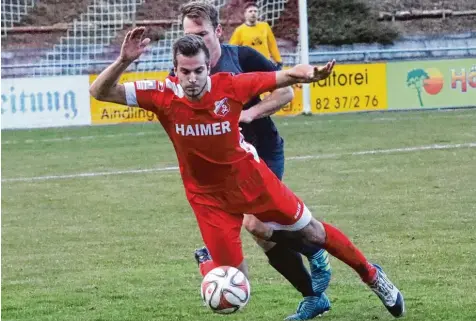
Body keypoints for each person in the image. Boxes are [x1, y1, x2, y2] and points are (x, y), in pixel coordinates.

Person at [90, 30, 405, 319]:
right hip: (208, 199)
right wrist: (124, 60)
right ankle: (209, 264)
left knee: (314, 234)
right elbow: (100, 91)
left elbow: (283, 76)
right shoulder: (162, 94)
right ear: (175, 70)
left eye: (199, 71)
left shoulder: (230, 86)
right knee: (234, 287)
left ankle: (373, 276)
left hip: (253, 181)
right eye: (184, 71)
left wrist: (309, 73)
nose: (192, 79)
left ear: (207, 69)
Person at [179, 2, 330, 320]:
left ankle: (315, 247)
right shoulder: (184, 71)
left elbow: (287, 92)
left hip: (262, 151)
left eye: (202, 34)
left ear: (218, 31)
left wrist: (249, 112)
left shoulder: (242, 57)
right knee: (261, 236)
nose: (195, 41)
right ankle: (313, 296)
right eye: (189, 35)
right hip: (225, 168)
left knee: (255, 223)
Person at [229, 2, 283, 69]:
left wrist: (278, 60)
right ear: (245, 14)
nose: (253, 13)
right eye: (250, 11)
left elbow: (272, 45)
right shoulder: (239, 30)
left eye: (255, 11)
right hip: (249, 66)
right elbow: (232, 49)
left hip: (265, 63)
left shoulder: (265, 26)